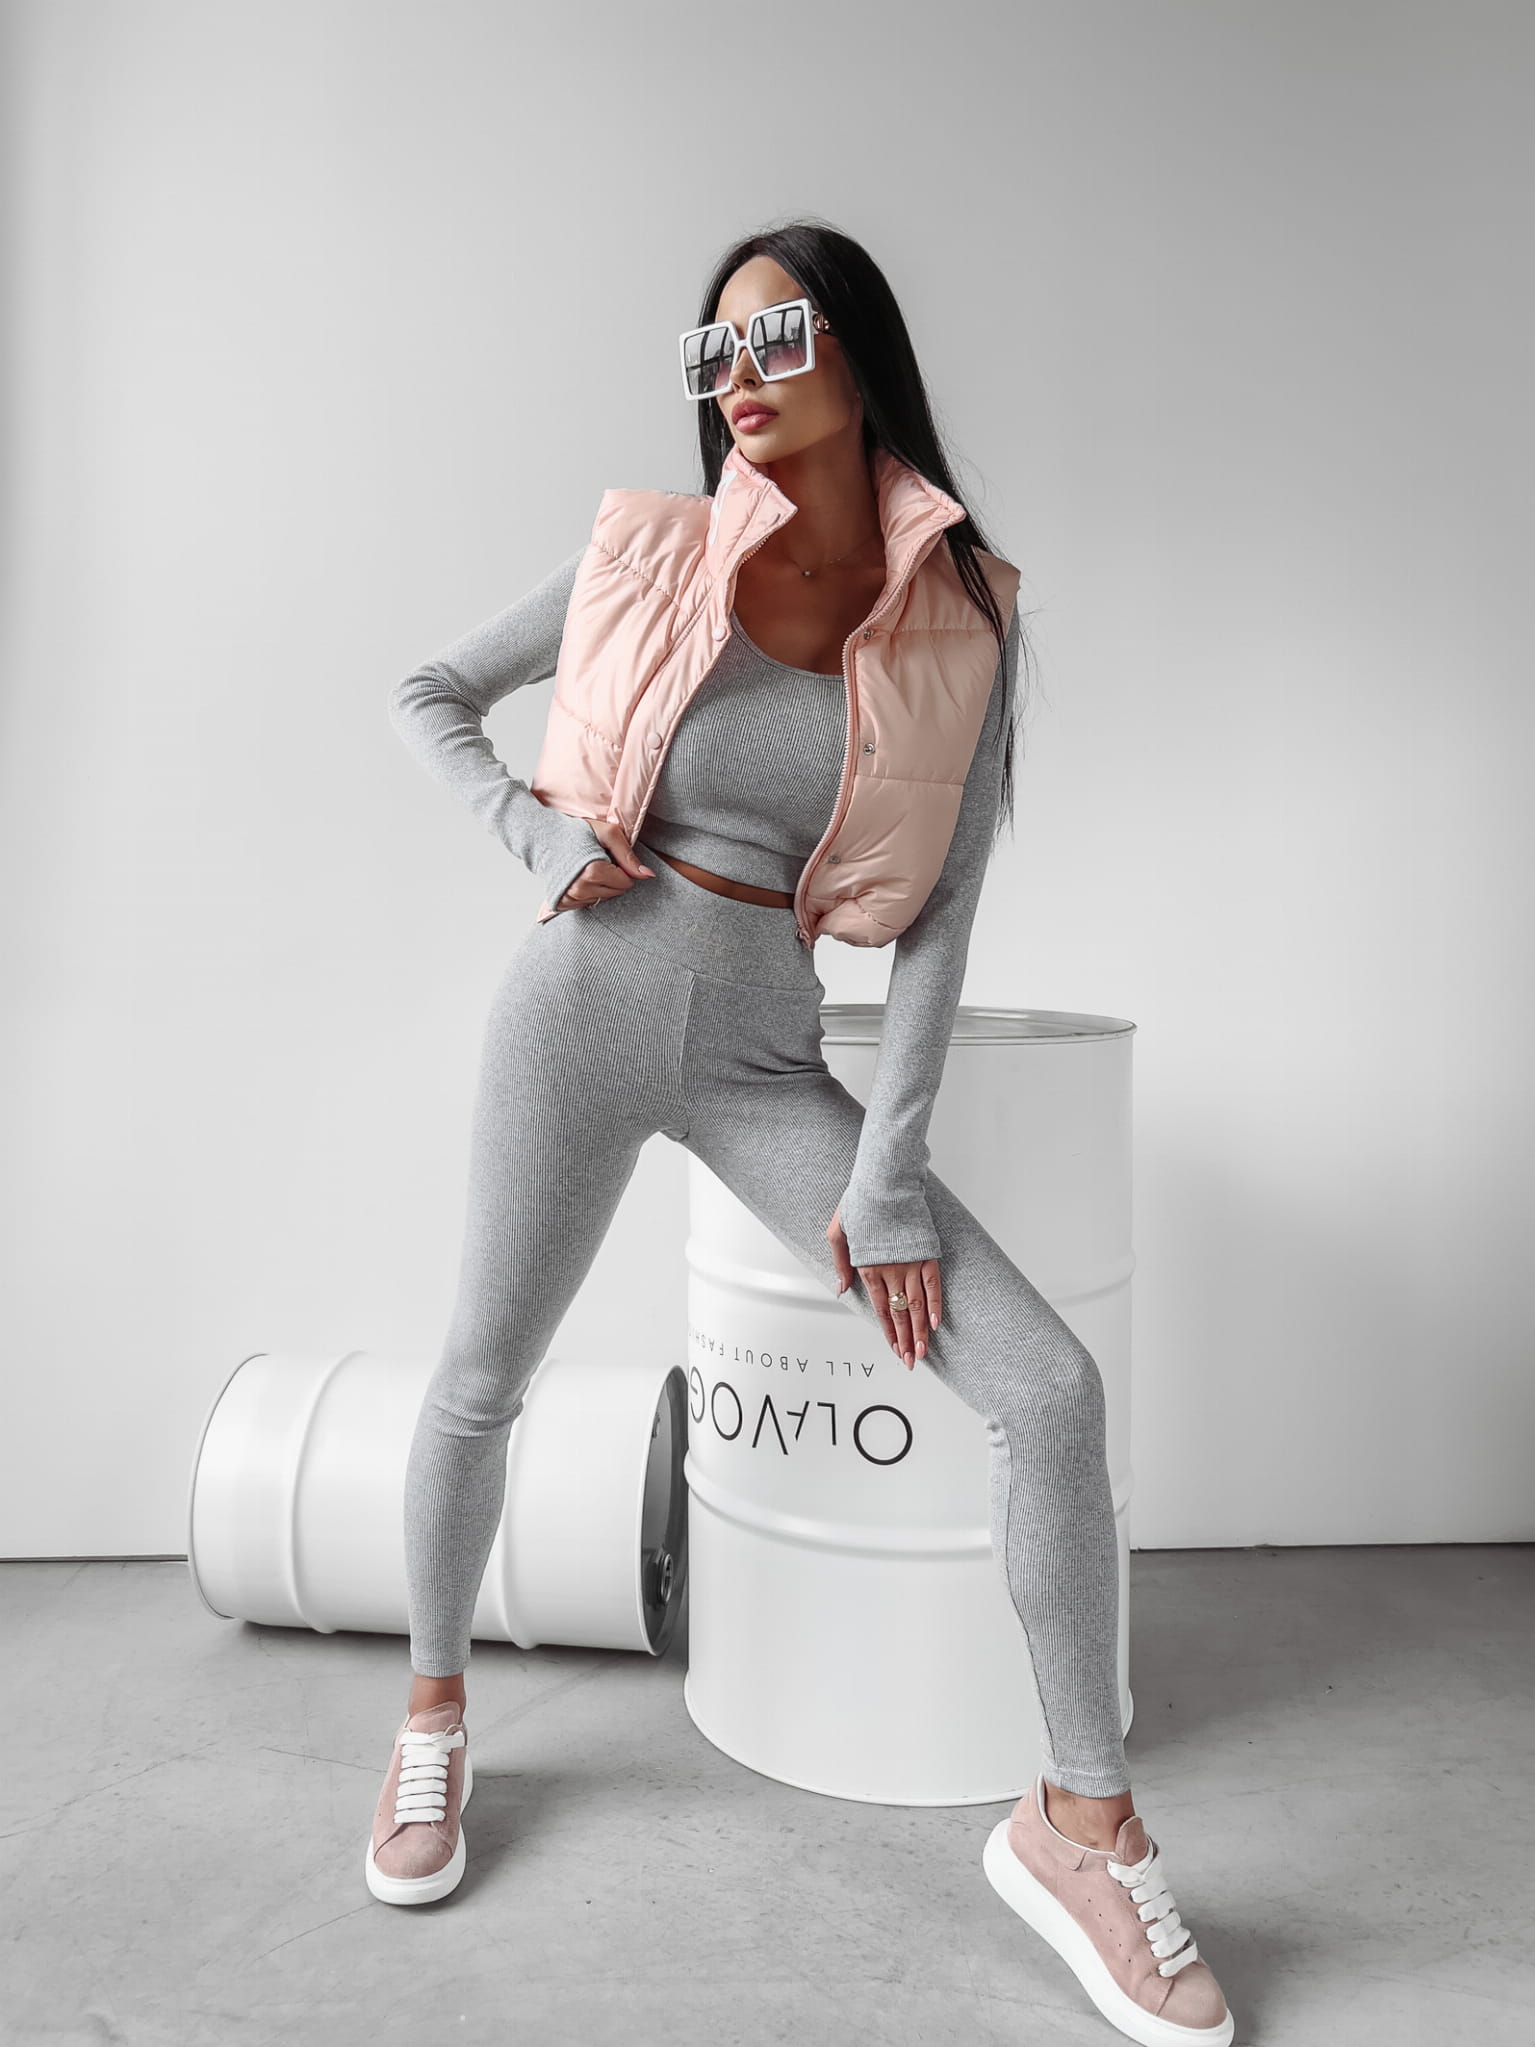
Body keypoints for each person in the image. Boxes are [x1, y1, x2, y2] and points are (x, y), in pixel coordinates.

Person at [366, 218, 1234, 2047]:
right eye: (715, 353)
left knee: (1049, 1392)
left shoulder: (965, 614)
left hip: (769, 1058)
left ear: (859, 352)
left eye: (775, 339)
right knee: (479, 1380)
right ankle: (433, 1716)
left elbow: (939, 921)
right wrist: (535, 836)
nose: (739, 380)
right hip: (577, 1013)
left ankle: (1081, 1825)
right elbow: (429, 692)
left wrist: (890, 1174)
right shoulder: (653, 552)